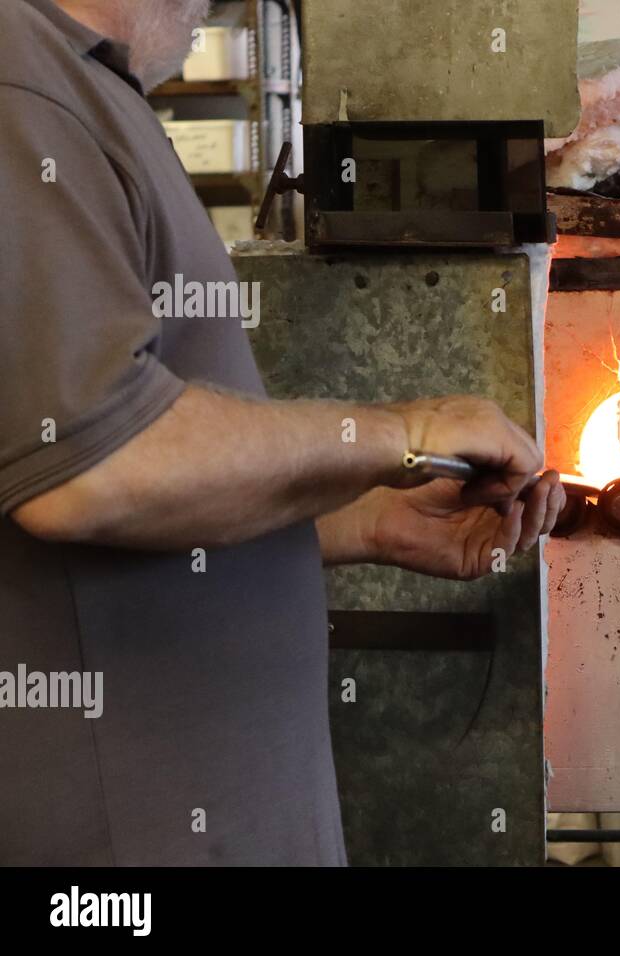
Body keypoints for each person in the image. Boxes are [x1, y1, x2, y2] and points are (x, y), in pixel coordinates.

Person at [0, 0, 563, 865]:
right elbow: (94, 468)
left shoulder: (78, 84)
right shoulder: (21, 79)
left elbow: (116, 484)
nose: (218, 5)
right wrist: (398, 431)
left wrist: (363, 519)